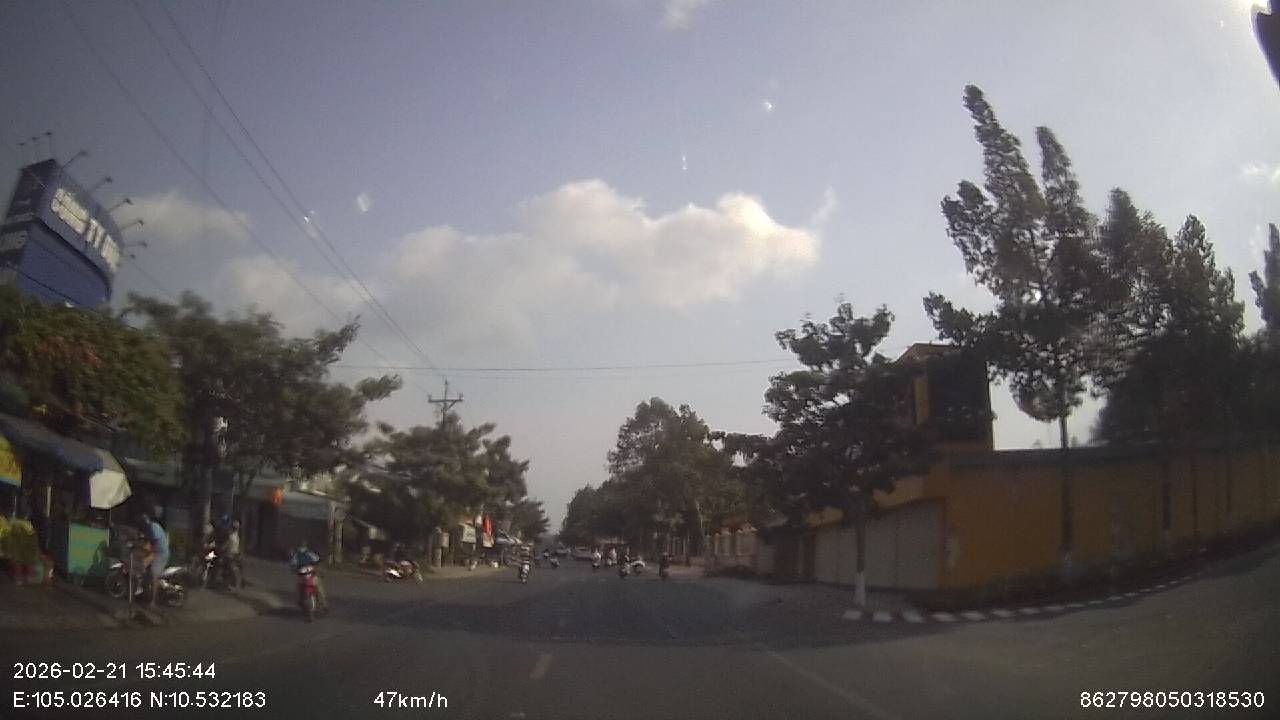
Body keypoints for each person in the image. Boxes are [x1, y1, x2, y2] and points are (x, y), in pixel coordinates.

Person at [289, 539, 328, 611]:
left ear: (306, 547)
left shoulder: (309, 553)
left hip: (311, 573)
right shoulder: (296, 555)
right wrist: (294, 569)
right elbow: (293, 564)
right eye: (300, 546)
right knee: (299, 587)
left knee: (318, 587)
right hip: (302, 575)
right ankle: (301, 600)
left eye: (303, 546)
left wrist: (318, 569)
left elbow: (317, 560)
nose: (302, 548)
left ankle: (323, 603)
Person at [139, 514, 168, 607]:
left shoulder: (154, 528)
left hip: (161, 554)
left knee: (153, 575)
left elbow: (154, 545)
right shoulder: (148, 529)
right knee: (144, 569)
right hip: (155, 552)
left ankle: (153, 601)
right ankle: (145, 593)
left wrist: (147, 550)